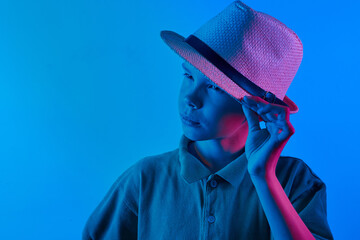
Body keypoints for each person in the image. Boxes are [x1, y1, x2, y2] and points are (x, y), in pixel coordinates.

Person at [82, 1, 334, 239]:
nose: (191, 98)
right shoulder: (145, 178)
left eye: (215, 88)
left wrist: (263, 176)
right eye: (188, 76)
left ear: (259, 108)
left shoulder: (294, 180)